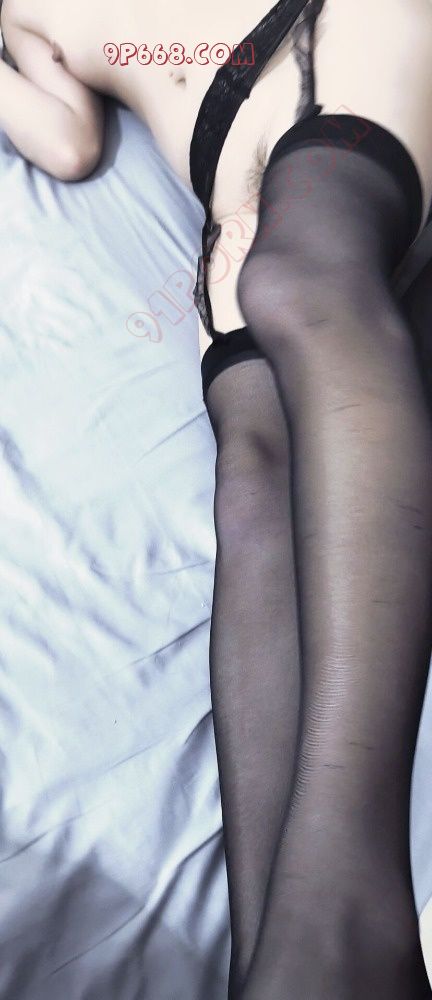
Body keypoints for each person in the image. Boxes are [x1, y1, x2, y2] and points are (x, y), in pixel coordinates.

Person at [1, 1, 432, 996]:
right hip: (241, 184)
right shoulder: (18, 27)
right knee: (250, 475)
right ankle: (268, 965)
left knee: (294, 284)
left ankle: (346, 920)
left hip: (326, 41)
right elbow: (66, 144)